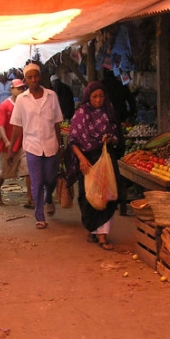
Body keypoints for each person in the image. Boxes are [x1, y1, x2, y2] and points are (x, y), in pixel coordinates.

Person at [64, 81, 123, 250]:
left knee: (107, 195)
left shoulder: (109, 112)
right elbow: (73, 141)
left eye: (101, 96)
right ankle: (93, 228)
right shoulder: (81, 114)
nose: (98, 100)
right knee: (89, 196)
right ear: (88, 97)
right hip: (88, 161)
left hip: (106, 159)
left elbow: (117, 136)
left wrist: (110, 139)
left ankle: (103, 236)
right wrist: (82, 159)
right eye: (95, 96)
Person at [8, 62, 64, 229]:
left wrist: (60, 146)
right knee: (37, 181)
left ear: (41, 77)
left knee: (51, 178)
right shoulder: (22, 100)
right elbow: (17, 126)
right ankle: (39, 216)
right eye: (29, 77)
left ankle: (48, 198)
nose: (33, 80)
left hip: (51, 144)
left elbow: (56, 123)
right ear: (25, 80)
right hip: (32, 146)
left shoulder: (51, 96)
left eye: (36, 76)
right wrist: (11, 149)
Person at [0, 79, 32, 208]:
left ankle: (31, 199)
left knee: (28, 170)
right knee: (5, 172)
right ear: (12, 89)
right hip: (8, 145)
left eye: (22, 88)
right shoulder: (5, 105)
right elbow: (0, 125)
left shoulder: (26, 104)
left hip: (23, 143)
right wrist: (7, 141)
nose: (20, 91)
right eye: (18, 88)